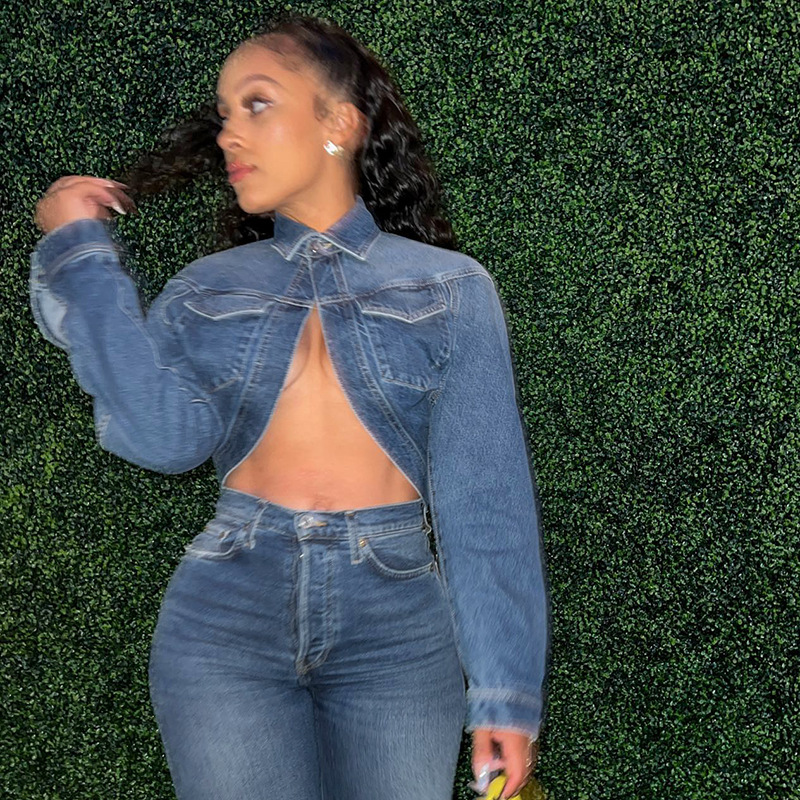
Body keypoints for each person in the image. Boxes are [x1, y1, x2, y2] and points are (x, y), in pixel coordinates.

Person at [29, 12, 550, 800]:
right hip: (226, 614)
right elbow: (161, 436)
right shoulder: (206, 289)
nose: (229, 135)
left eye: (257, 103)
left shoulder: (451, 288)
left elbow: (486, 503)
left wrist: (505, 693)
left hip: (397, 628)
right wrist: (81, 254)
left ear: (339, 122)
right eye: (224, 115)